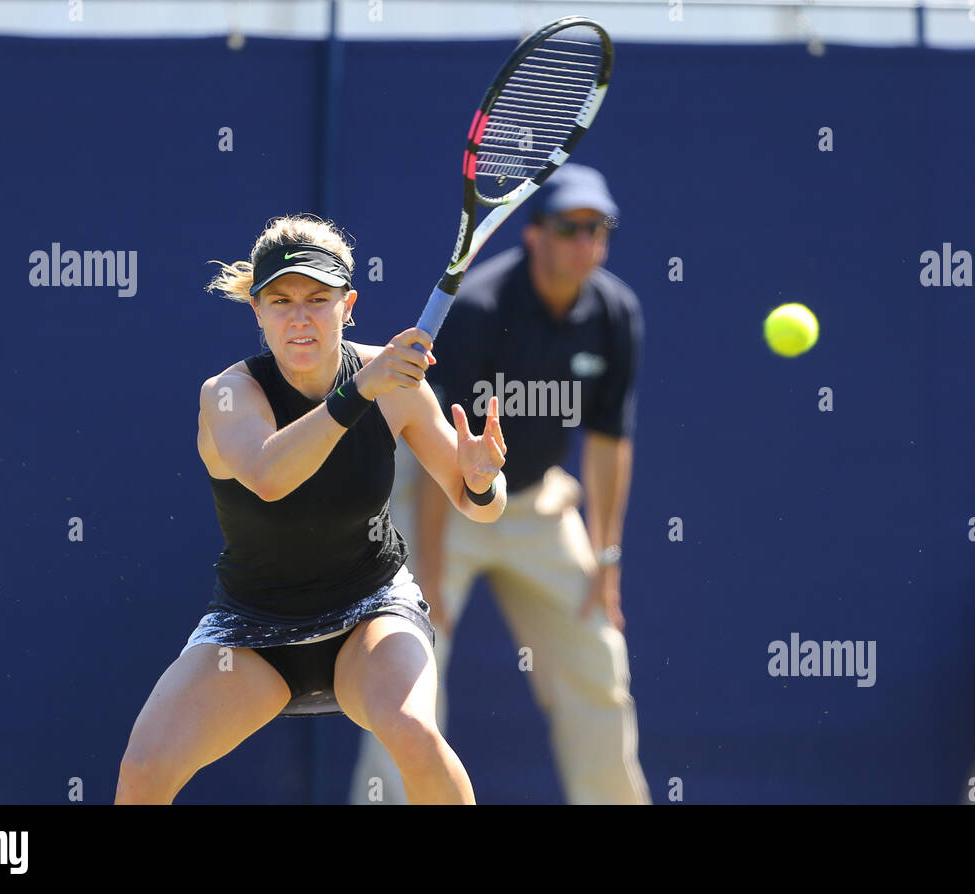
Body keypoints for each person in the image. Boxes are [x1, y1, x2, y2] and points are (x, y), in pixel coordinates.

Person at [114, 214, 507, 805]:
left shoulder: (392, 382)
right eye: (281, 300)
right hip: (252, 635)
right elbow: (270, 476)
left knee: (415, 734)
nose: (300, 317)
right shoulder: (227, 394)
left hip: (372, 611)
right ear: (257, 310)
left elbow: (480, 506)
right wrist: (359, 393)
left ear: (348, 305)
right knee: (143, 772)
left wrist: (480, 480)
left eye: (318, 300)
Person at [349, 165, 651, 804]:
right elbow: (440, 441)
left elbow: (606, 442)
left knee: (599, 670)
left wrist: (606, 556)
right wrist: (428, 569)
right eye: (571, 228)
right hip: (444, 495)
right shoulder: (481, 308)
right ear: (535, 235)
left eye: (598, 230)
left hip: (540, 503)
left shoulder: (615, 312)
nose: (586, 243)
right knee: (404, 680)